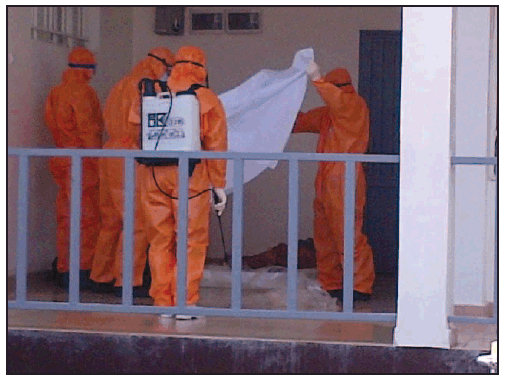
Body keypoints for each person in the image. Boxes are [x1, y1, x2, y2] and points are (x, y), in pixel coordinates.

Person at [140, 46, 228, 307]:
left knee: (159, 242)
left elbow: (136, 131)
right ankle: (184, 303)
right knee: (190, 241)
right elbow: (216, 145)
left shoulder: (152, 93)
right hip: (191, 177)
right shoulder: (207, 99)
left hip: (153, 175)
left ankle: (163, 303)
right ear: (201, 69)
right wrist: (219, 185)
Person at [89, 47, 176, 297]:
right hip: (130, 155)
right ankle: (128, 281)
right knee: (137, 223)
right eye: (168, 69)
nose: (167, 75)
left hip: (109, 153)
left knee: (110, 222)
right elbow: (151, 125)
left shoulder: (120, 84)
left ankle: (99, 275)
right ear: (159, 64)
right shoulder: (148, 88)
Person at [292, 62, 375, 302]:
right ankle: (333, 283)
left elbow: (337, 100)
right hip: (328, 178)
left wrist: (318, 79)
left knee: (347, 234)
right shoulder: (331, 112)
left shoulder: (353, 105)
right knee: (325, 236)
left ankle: (359, 287)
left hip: (345, 177)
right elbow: (302, 122)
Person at [44, 47, 104, 289]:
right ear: (88, 68)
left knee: (66, 216)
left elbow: (51, 122)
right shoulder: (83, 93)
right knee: (86, 219)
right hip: (82, 161)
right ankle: (81, 270)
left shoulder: (56, 92)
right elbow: (88, 129)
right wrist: (97, 160)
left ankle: (65, 267)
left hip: (62, 158)